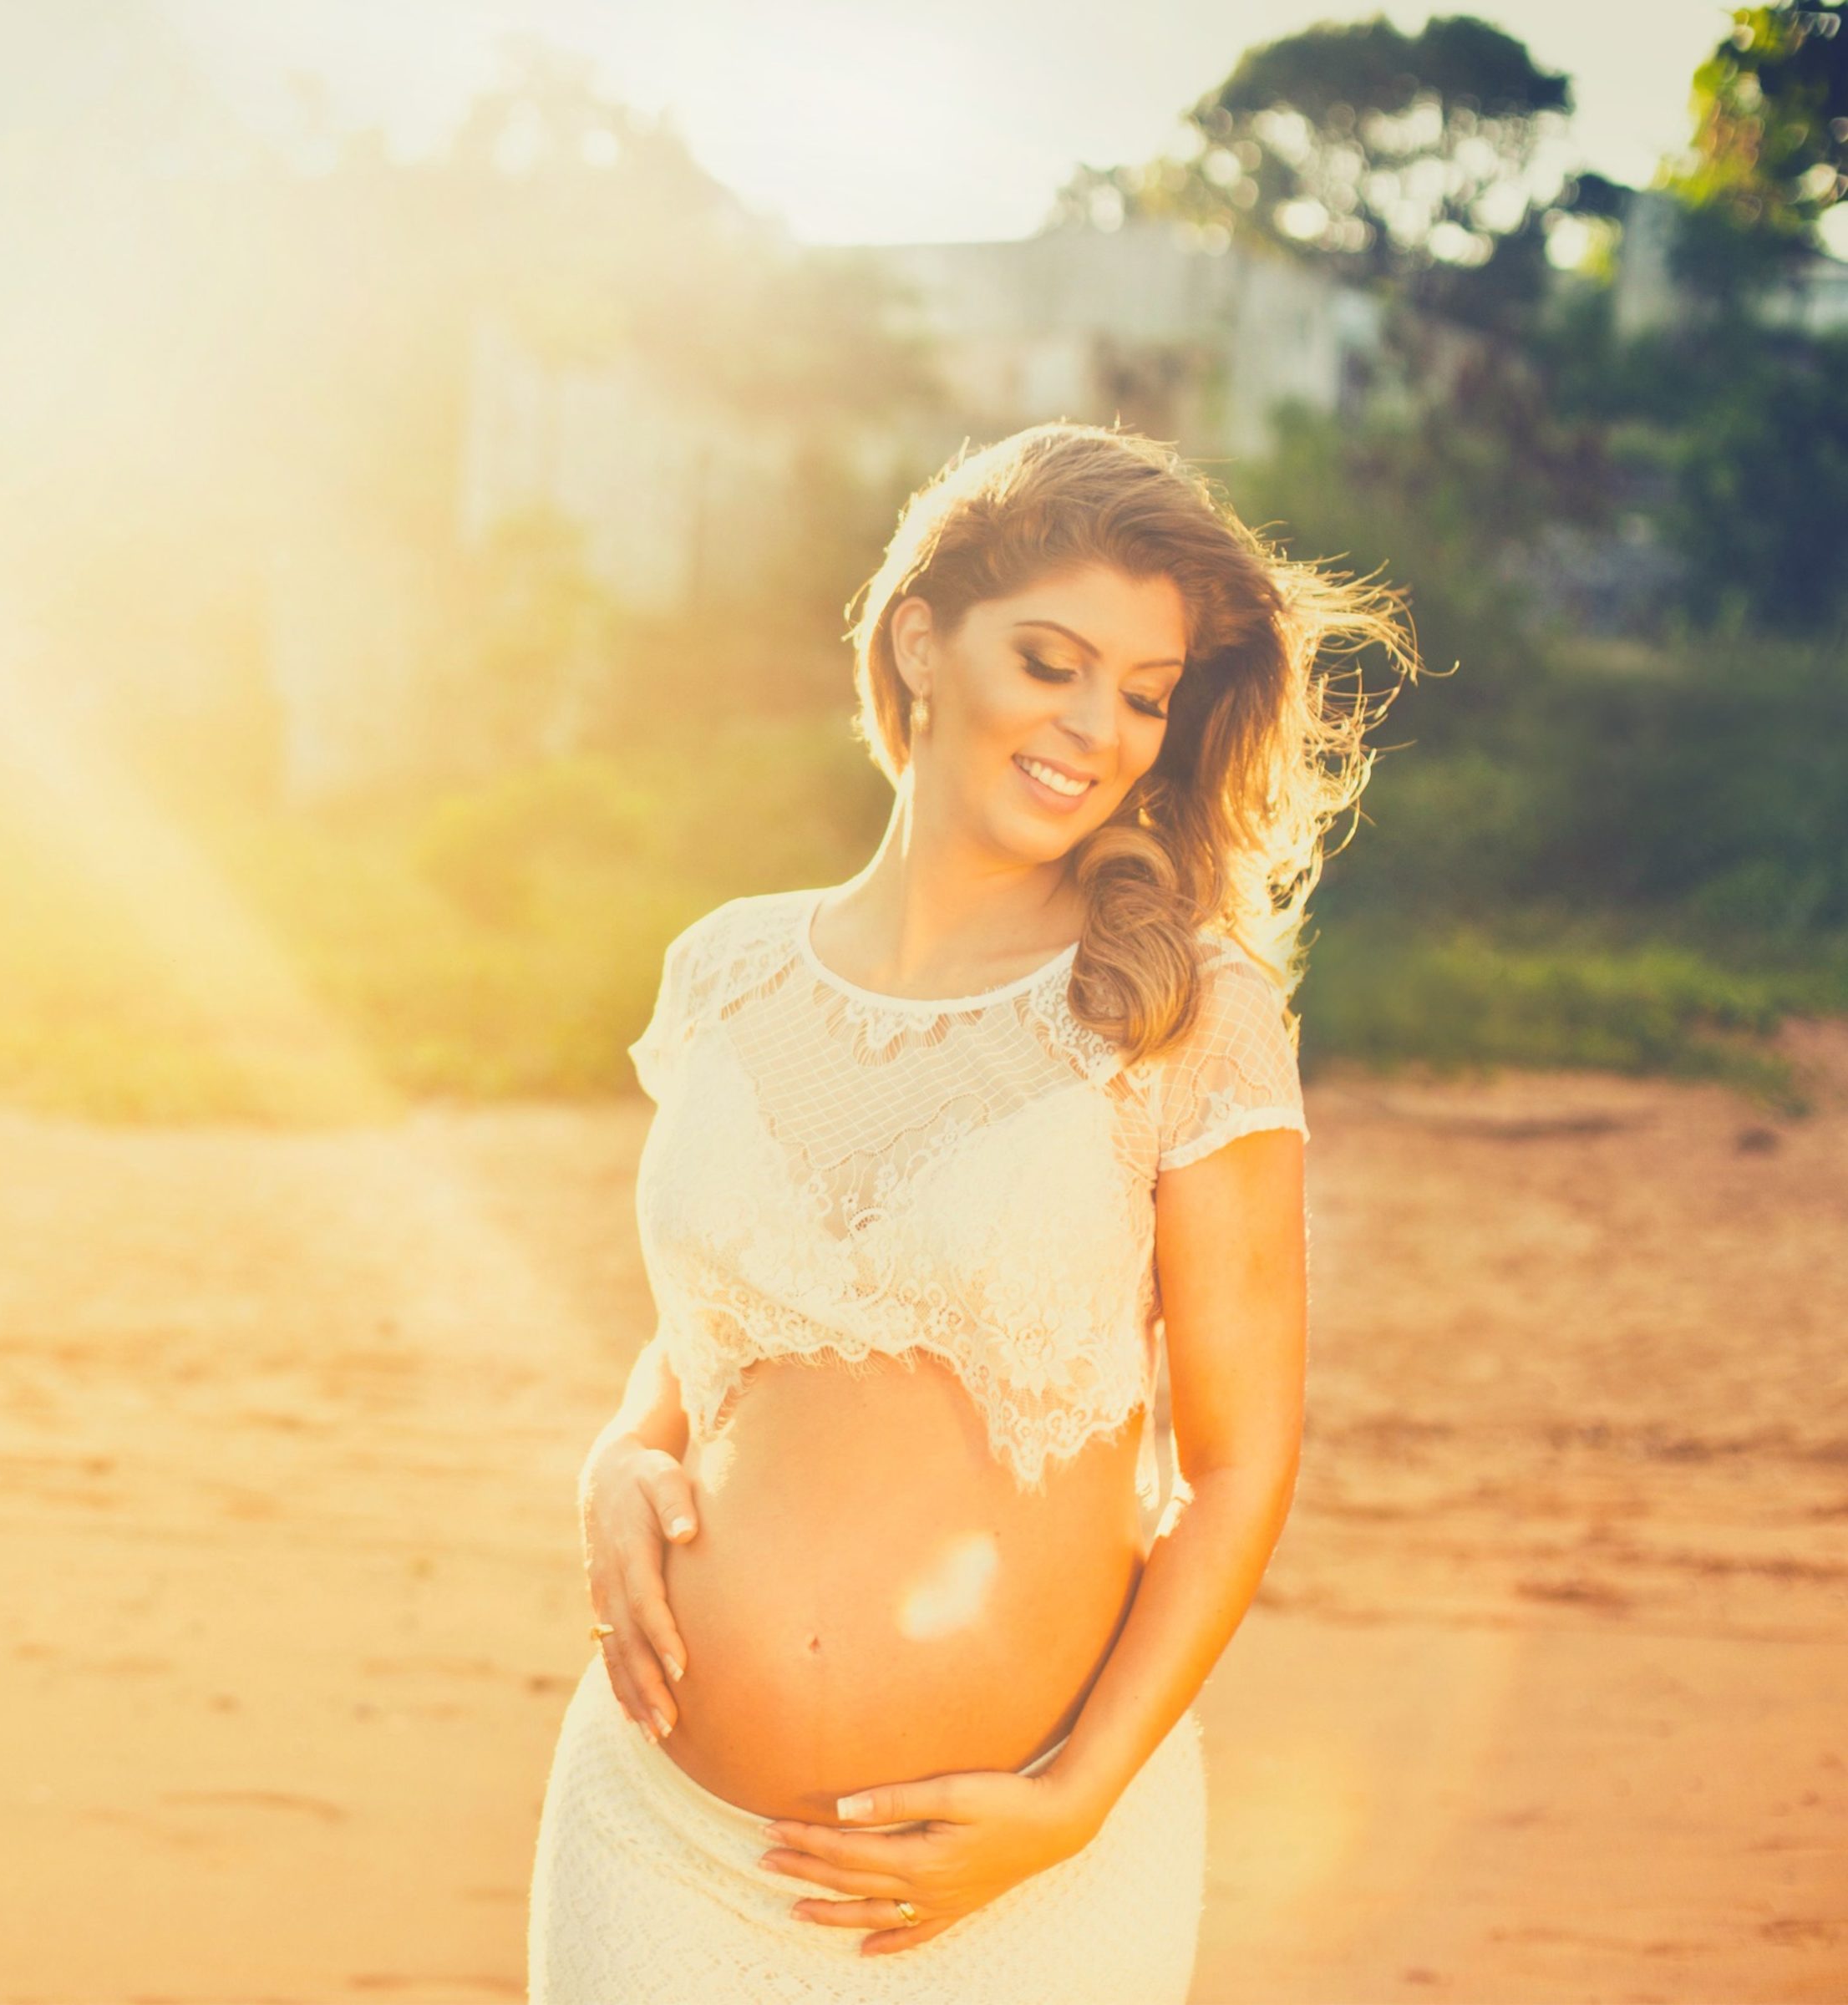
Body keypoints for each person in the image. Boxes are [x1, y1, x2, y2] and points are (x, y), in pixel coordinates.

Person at [525, 423, 1412, 2002]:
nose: (1095, 728)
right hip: (652, 1837)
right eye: (1050, 662)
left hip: (1012, 1880)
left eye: (1143, 693)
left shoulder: (1184, 1012)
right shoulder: (726, 972)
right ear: (920, 641)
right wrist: (613, 1460)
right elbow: (711, 1337)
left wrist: (1074, 1806)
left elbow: (1238, 1465)